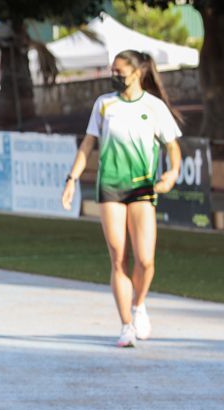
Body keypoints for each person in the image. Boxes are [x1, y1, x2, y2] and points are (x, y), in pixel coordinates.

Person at [62, 50, 182, 348]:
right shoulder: (104, 105)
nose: (114, 76)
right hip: (110, 187)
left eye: (119, 71)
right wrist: (72, 179)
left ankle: (139, 305)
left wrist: (172, 173)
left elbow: (172, 147)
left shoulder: (154, 107)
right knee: (119, 258)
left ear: (137, 72)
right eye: (111, 71)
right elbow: (88, 144)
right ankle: (126, 325)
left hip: (142, 187)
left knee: (146, 259)